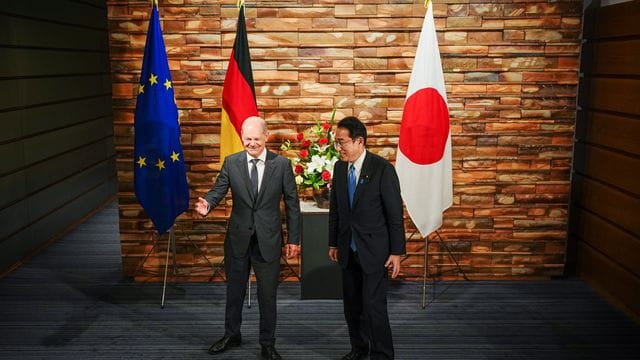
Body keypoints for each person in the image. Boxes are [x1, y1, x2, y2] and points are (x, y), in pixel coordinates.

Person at [195, 116, 300, 360]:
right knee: (234, 292)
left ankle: (267, 342)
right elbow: (218, 189)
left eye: (256, 139)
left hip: (269, 240)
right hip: (238, 239)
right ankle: (232, 334)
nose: (251, 143)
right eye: (247, 139)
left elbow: (292, 204)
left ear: (266, 137)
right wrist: (208, 203)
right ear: (242, 137)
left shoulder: (282, 165)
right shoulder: (232, 163)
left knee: (267, 295)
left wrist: (294, 239)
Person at [328, 116, 406, 360]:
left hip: (375, 252)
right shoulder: (340, 168)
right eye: (337, 143)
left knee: (373, 308)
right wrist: (333, 242)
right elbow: (336, 210)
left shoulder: (382, 169)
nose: (338, 148)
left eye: (342, 142)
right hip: (347, 250)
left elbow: (395, 215)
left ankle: (382, 355)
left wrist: (397, 252)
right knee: (352, 307)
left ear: (359, 141)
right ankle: (358, 349)